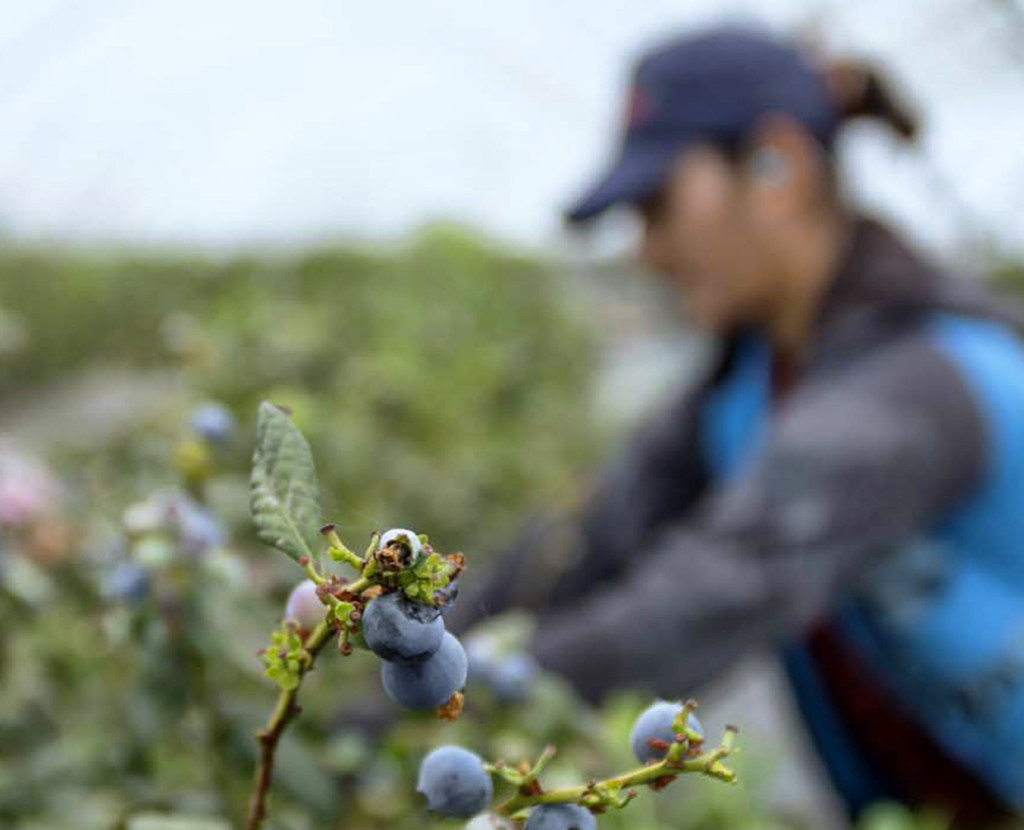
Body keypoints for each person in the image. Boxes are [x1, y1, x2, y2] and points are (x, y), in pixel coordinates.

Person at [447, 25, 1024, 828]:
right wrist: (413, 634)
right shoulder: (749, 383)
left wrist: (441, 699)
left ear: (776, 167)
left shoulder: (923, 383)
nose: (645, 250)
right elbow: (585, 542)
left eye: (658, 207)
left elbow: (697, 602)